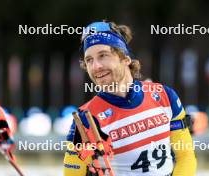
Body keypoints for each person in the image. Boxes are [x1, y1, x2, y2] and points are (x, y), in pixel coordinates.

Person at [63, 21, 197, 176]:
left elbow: (185, 156)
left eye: (103, 55)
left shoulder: (164, 96)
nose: (95, 67)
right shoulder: (86, 118)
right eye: (89, 60)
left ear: (125, 59)